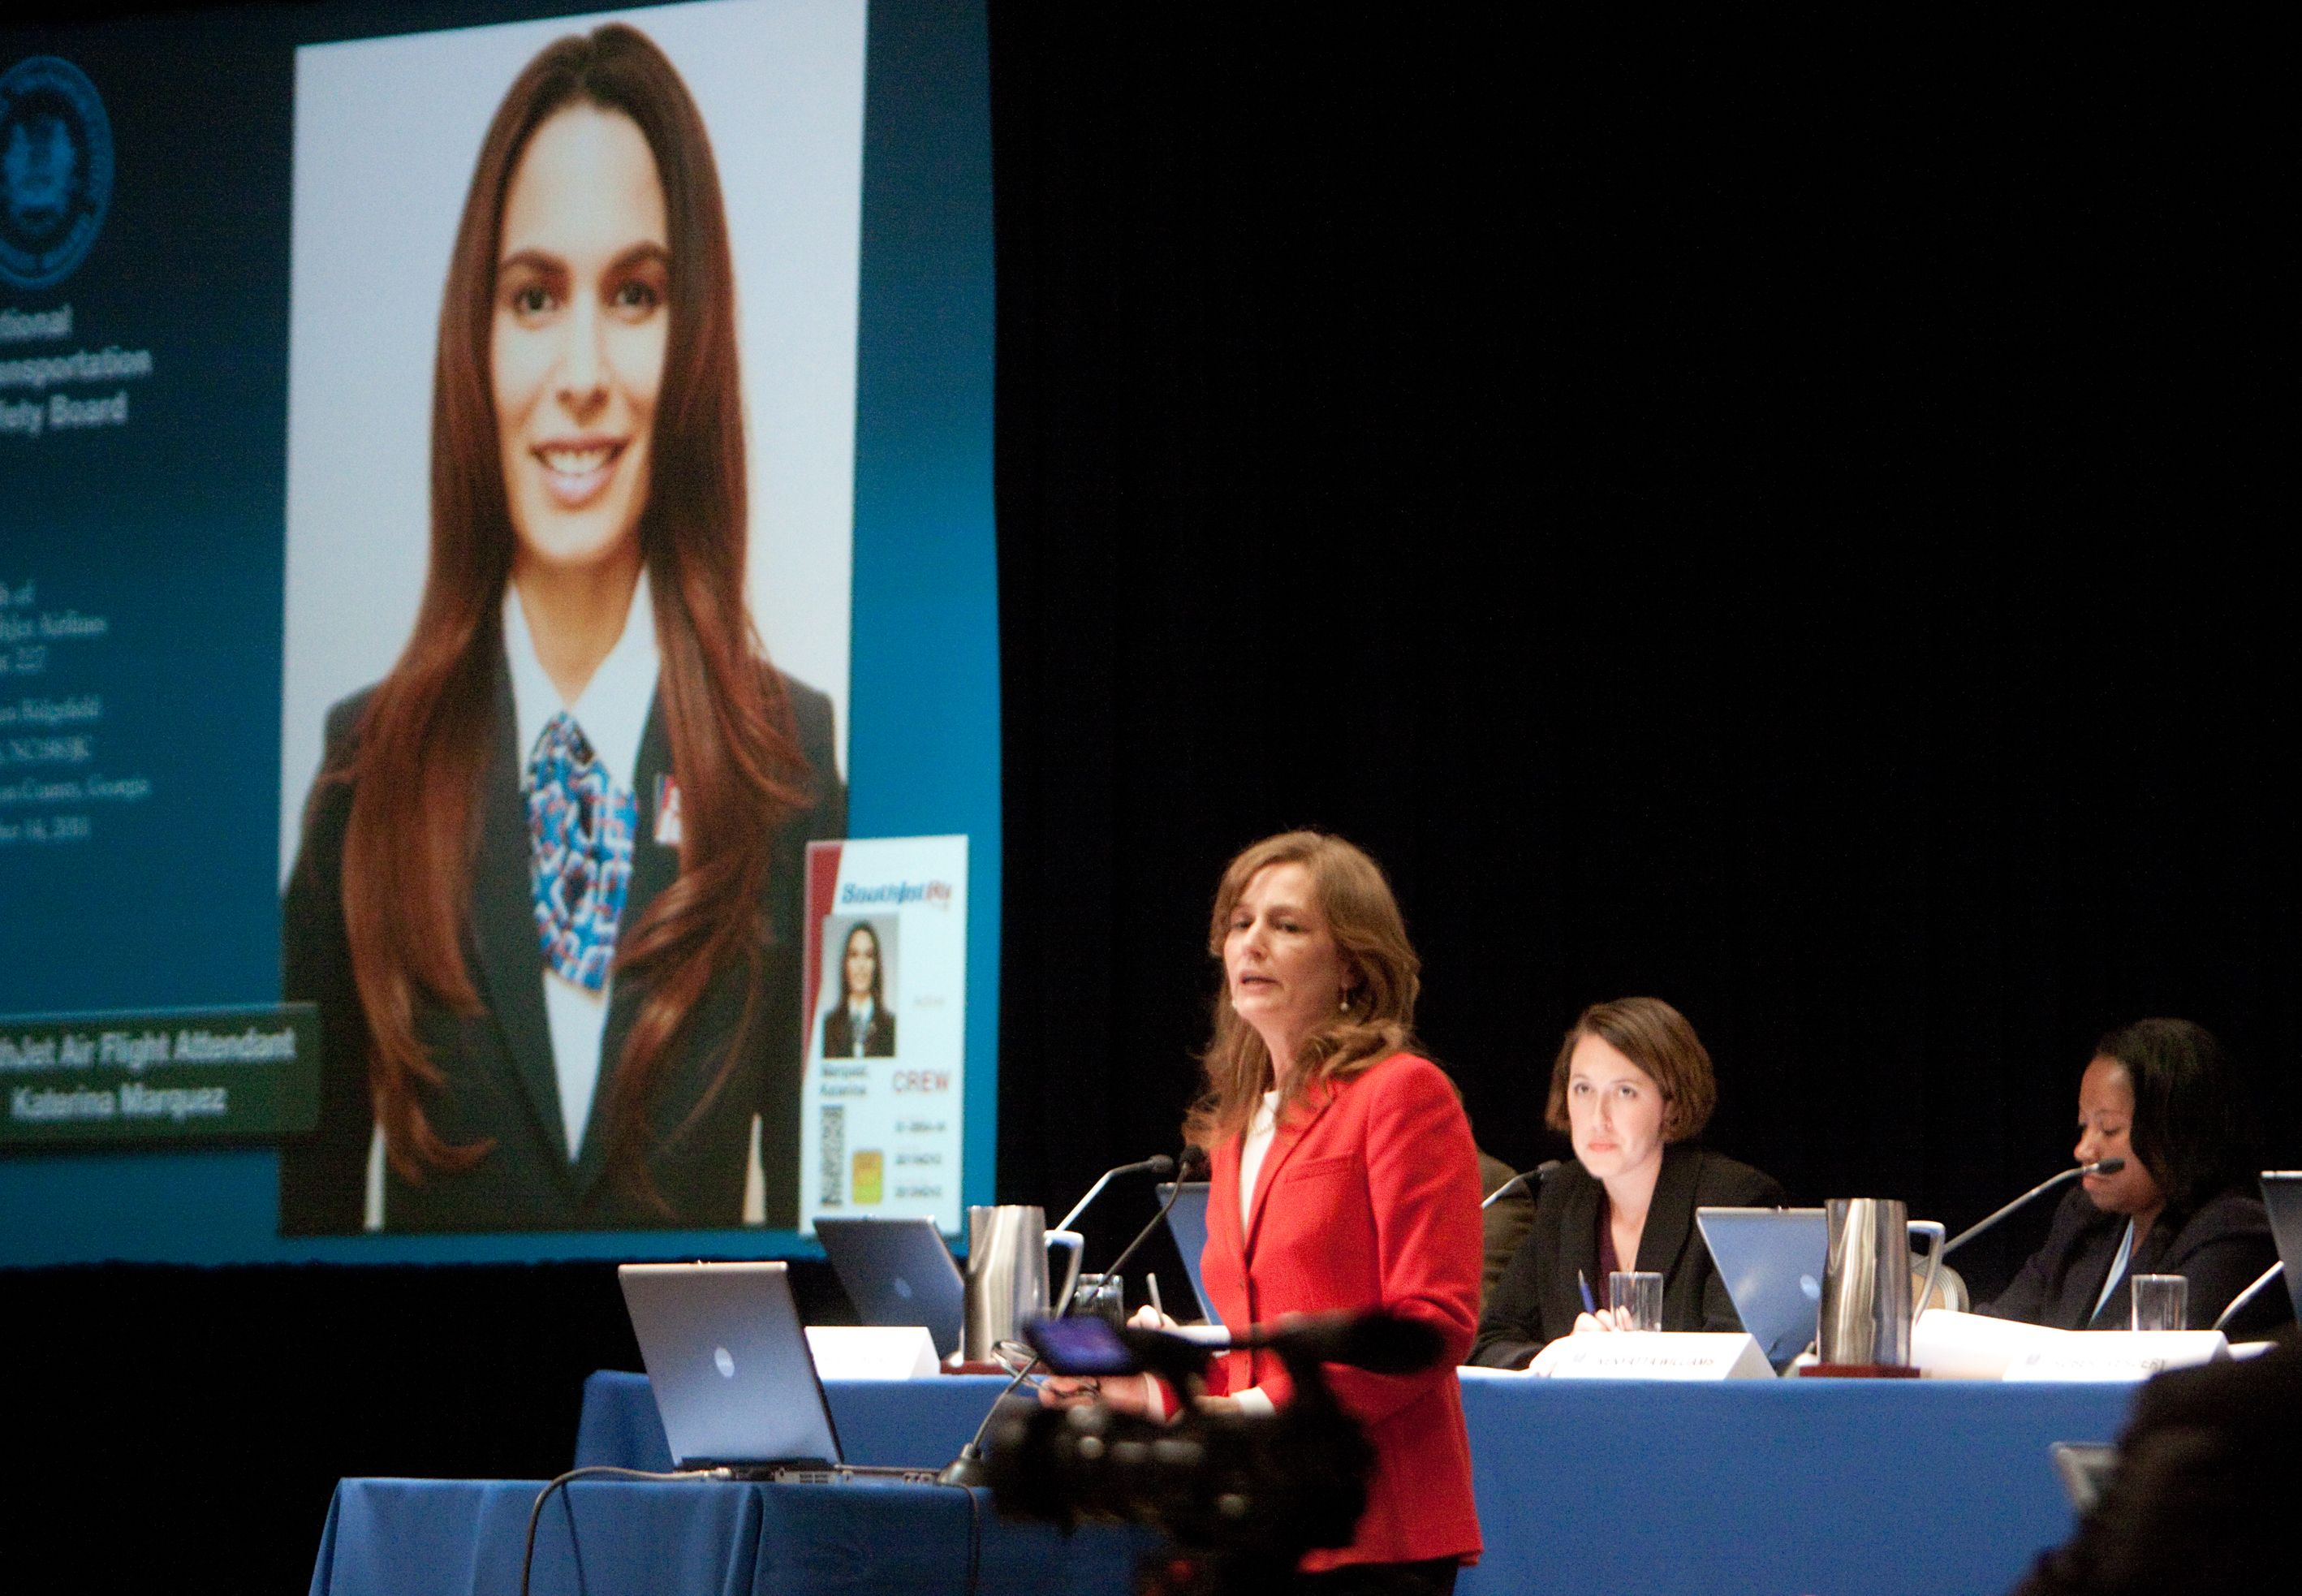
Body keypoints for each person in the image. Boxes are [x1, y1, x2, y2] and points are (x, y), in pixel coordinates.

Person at [278, 24, 843, 1233]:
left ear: (689, 336)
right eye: (534, 296)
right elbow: (297, 1222)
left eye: (634, 294)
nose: (582, 369)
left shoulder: (787, 759)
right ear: (473, 342)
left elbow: (822, 1236)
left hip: (708, 1427)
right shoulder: (361, 770)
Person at [1045, 830, 1483, 1592]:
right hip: (1250, 1526)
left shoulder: (1402, 1094)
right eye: (1241, 923)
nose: (1253, 944)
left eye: (1287, 926)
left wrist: (1246, 1412)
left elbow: (1430, 1326)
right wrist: (1147, 1390)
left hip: (1373, 1530)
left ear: (1350, 962)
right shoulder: (1238, 1126)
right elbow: (1256, 1355)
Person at [1469, 997, 1783, 1367]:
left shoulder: (1733, 1201)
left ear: (1672, 1104)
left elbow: (1741, 1360)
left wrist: (1625, 1360)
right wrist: (1557, 1356)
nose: (1598, 1118)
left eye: (1625, 1092)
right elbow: (1490, 1342)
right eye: (1584, 1089)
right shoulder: (1563, 1196)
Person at [1981, 1019, 2286, 1334]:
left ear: (2175, 1129)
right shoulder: (2083, 1218)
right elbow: (2000, 1326)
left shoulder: (2232, 1231)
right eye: (2084, 1126)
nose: (2083, 1150)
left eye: (2109, 1129)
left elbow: (2149, 1358)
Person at [821, 922, 895, 1058]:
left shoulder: (892, 1028)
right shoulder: (827, 1028)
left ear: (876, 965)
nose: (861, 965)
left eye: (868, 955)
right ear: (845, 964)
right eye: (854, 955)